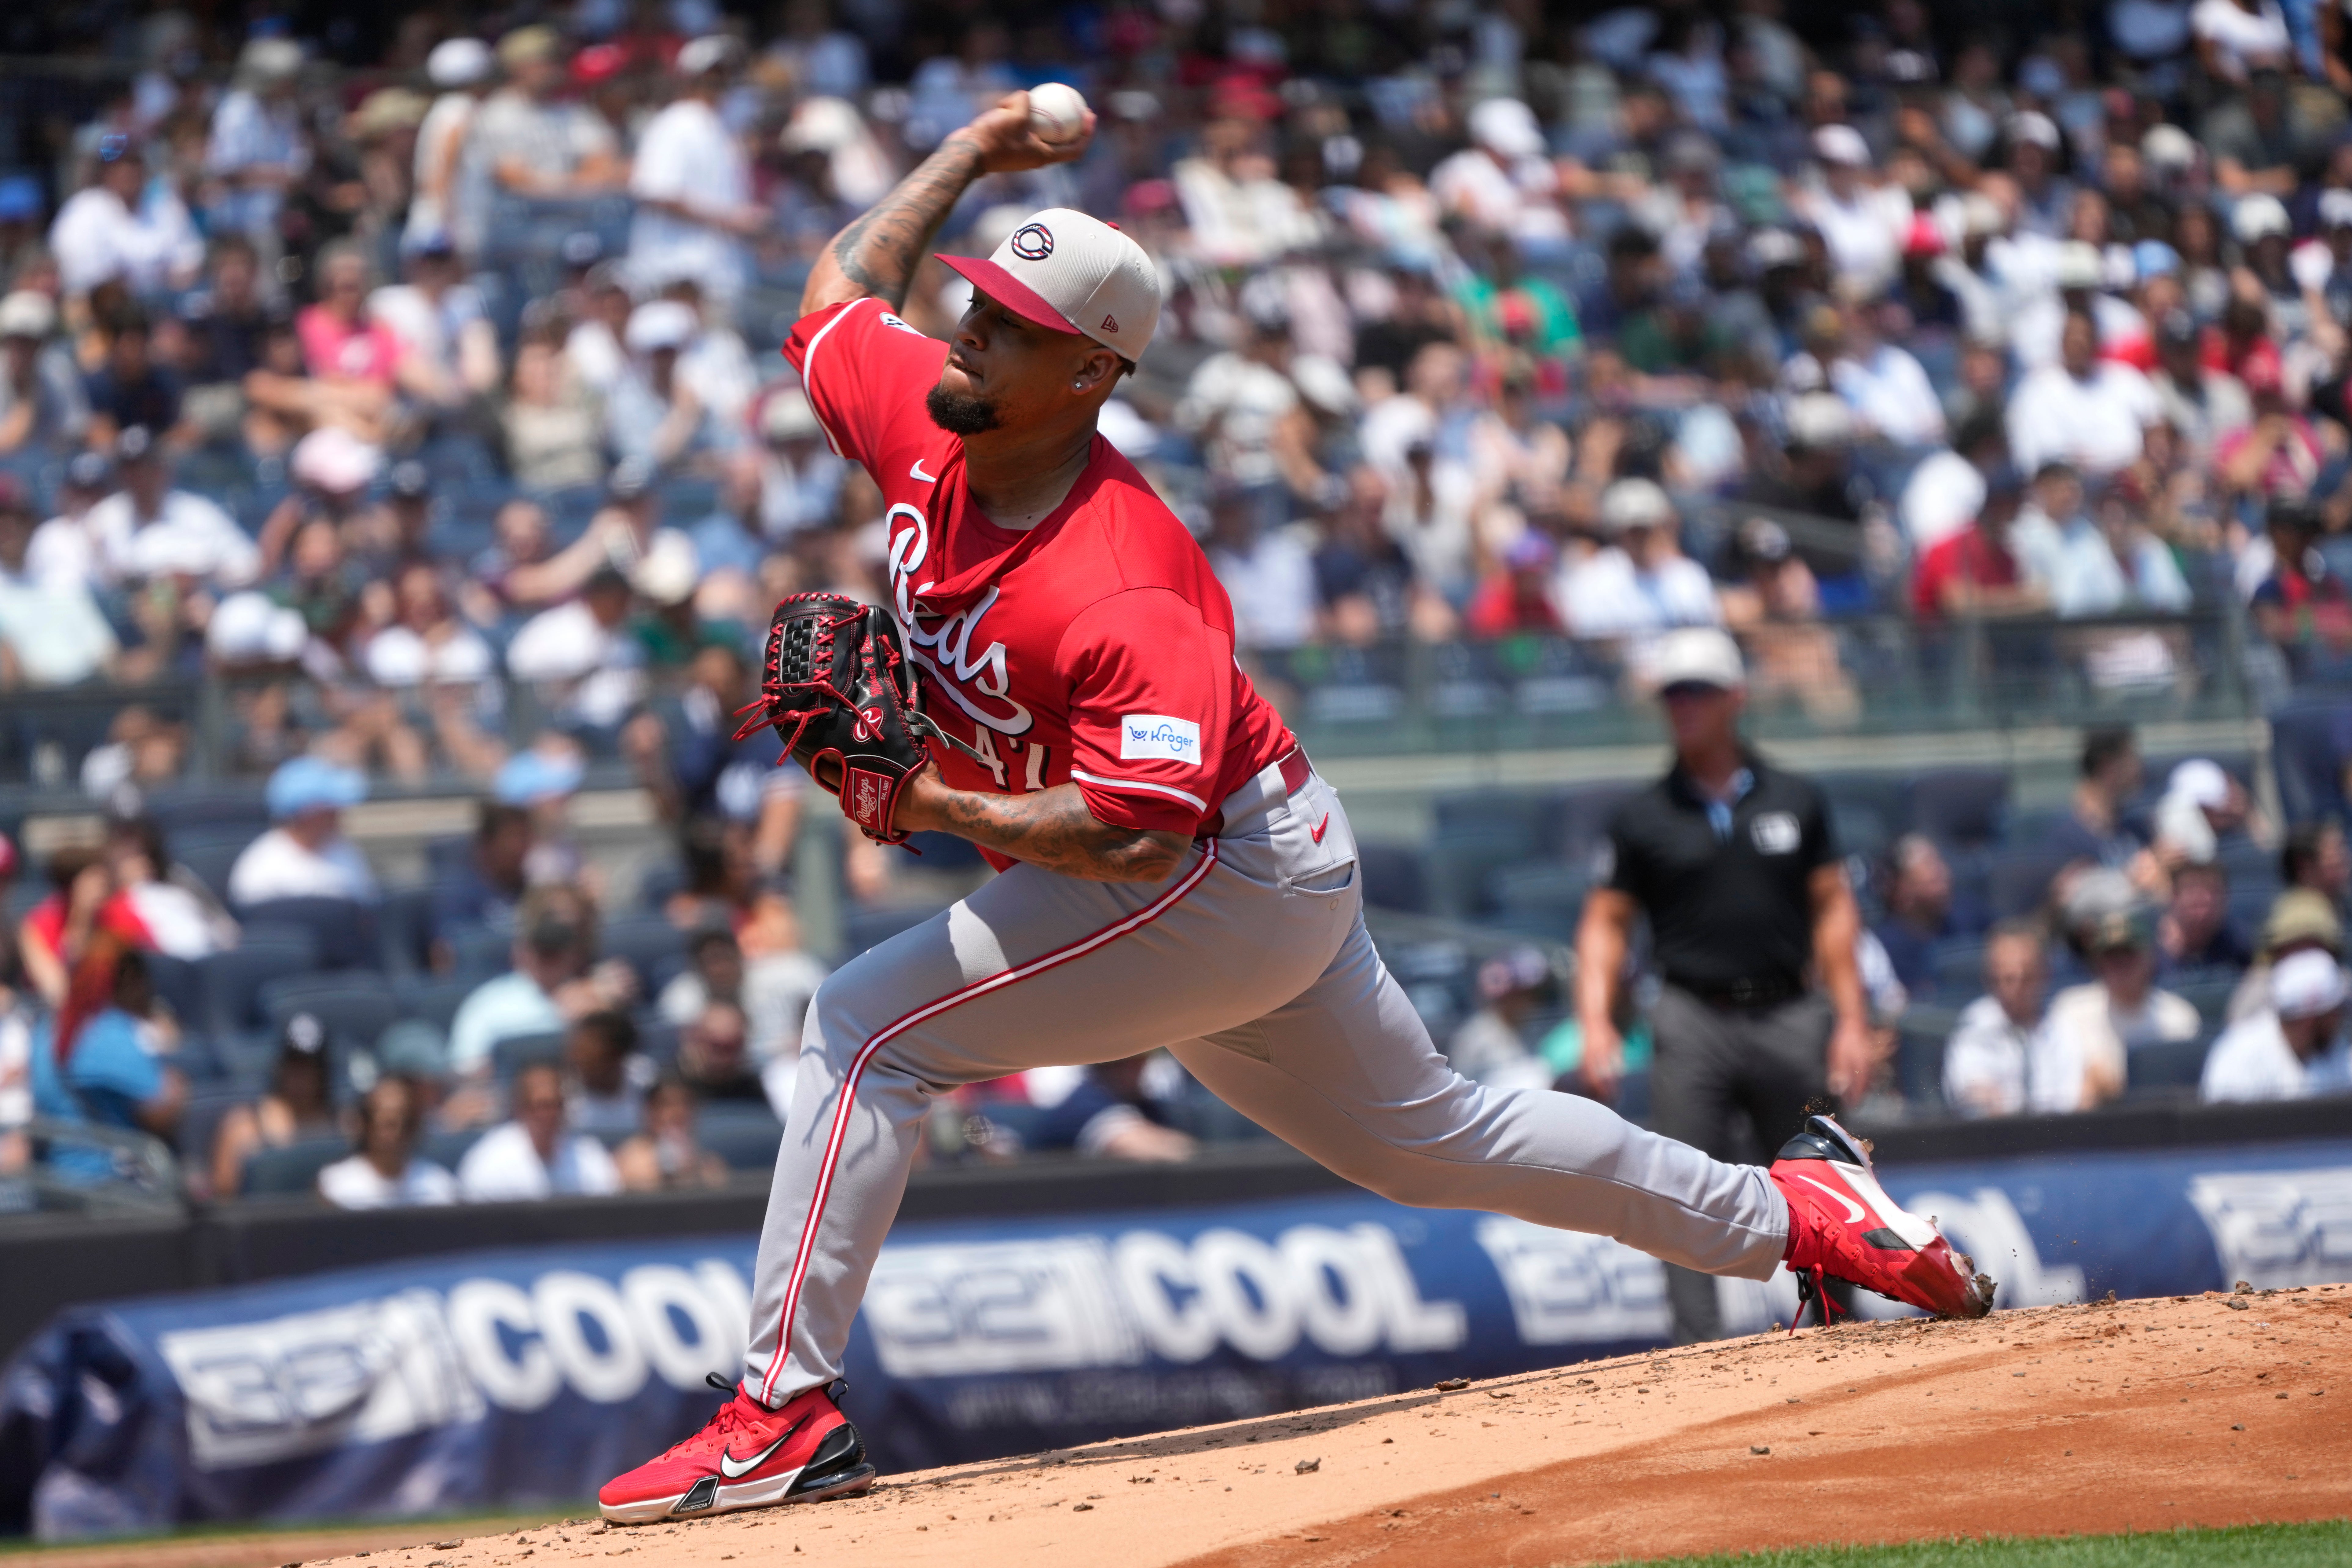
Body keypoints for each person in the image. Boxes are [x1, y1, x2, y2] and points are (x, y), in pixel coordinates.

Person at [595, 98, 1989, 1527]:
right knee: (1429, 1140)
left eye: (1007, 322)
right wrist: (964, 154)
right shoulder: (923, 410)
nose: (964, 329)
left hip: (1215, 869)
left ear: (1087, 371)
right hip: (1248, 860)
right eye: (974, 298)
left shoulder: (1120, 573)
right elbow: (838, 294)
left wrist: (924, 799)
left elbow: (1139, 835)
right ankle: (1805, 1209)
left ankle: (778, 1412)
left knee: (861, 1027)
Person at [1575, 627, 1879, 1346]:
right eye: (1671, 694)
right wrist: (1594, 1021)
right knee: (1676, 1188)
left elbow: (1833, 907)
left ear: (1733, 699)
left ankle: (1844, 1337)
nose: (1680, 706)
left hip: (1788, 1011)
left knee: (1822, 1184)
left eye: (1695, 692)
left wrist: (1851, 1019)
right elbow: (1604, 921)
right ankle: (1696, 1351)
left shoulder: (1795, 799)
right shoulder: (1643, 817)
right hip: (1690, 1017)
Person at [446, 884, 637, 1080]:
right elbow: (465, 1072)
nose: (553, 947)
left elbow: (632, 1072)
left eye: (570, 931)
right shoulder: (489, 1005)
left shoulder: (603, 994)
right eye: (548, 927)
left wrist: (604, 1016)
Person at [2042, 909, 2202, 1111]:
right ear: (2097, 963)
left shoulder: (2178, 1017)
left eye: (2128, 955)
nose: (2119, 966)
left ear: (2149, 958)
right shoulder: (2070, 1010)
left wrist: (2116, 1087)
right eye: (2111, 957)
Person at [208, 1012, 338, 1196]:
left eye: (310, 1068)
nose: (301, 1077)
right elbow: (223, 1198)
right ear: (281, 1067)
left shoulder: (345, 1126)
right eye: (295, 1066)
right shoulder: (244, 1128)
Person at [456, 1060, 623, 1201]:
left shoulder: (589, 1156)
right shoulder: (489, 1163)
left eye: (558, 1105)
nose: (551, 1115)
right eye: (542, 1106)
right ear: (520, 1109)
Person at [1941, 922, 2061, 1118]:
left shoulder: (2059, 1025)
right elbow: (1974, 1096)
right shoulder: (1974, 1025)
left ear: (2044, 975)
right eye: (2007, 978)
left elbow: (2071, 1103)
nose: (2015, 989)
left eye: (2026, 978)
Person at [2200, 949, 2352, 1102]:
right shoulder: (2240, 1057)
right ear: (2310, 1020)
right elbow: (2224, 1123)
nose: (2341, 1018)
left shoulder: (2336, 1049)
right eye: (2336, 1011)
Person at [227, 757, 380, 907]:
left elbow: (367, 908)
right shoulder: (262, 865)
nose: (338, 816)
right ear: (308, 814)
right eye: (330, 810)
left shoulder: (345, 851)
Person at [317, 1075, 460, 1208]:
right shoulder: (334, 1187)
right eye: (384, 1121)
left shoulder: (439, 1186)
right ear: (364, 1123)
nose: (392, 1133)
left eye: (401, 1120)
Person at [615, 1076, 731, 1190]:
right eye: (667, 1105)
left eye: (686, 1105)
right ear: (649, 1111)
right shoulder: (630, 1157)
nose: (678, 1113)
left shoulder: (708, 1162)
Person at [567, 1007, 646, 1136]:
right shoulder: (566, 1102)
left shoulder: (645, 1082)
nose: (577, 1058)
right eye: (577, 1051)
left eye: (587, 1052)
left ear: (617, 1054)